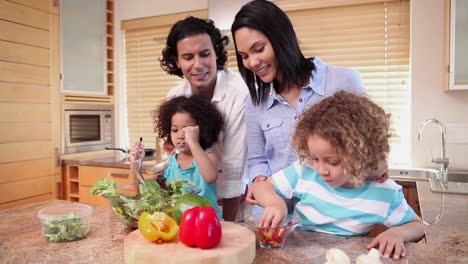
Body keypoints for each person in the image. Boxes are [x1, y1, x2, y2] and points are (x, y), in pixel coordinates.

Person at [231, 0, 387, 205]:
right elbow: (257, 160)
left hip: (330, 218)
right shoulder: (255, 102)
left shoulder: (344, 80)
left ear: (282, 38)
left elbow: (368, 146)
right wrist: (262, 184)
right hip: (277, 219)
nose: (252, 62)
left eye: (259, 49)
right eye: (244, 56)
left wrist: (378, 163)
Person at [251, 91, 425, 260]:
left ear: (362, 154)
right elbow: (261, 186)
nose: (321, 169)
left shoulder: (384, 193)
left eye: (333, 162)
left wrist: (397, 233)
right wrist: (275, 203)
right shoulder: (305, 171)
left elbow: (418, 226)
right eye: (315, 158)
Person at [160, 16, 249, 221]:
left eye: (205, 54)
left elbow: (233, 165)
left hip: (233, 204)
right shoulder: (175, 97)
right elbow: (174, 154)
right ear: (177, 60)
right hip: (189, 208)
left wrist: (226, 225)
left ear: (216, 52)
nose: (198, 65)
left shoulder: (238, 92)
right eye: (188, 57)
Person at [131, 95, 224, 219]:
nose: (180, 135)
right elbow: (142, 189)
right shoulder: (168, 163)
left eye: (186, 130)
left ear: (202, 130)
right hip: (179, 223)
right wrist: (135, 165)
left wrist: (193, 142)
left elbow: (210, 177)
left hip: (208, 222)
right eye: (175, 130)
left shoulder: (209, 157)